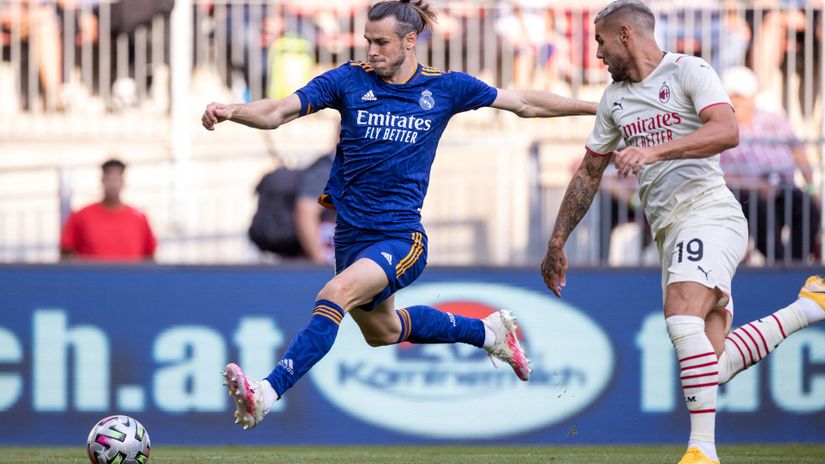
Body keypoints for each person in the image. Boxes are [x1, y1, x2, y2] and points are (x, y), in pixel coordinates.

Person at [202, 0, 597, 431]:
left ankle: (266, 392)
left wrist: (597, 109)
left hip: (400, 238)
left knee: (333, 296)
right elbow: (278, 111)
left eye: (381, 42)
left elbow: (524, 103)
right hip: (351, 239)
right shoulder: (347, 80)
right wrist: (232, 112)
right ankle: (488, 334)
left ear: (411, 41)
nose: (371, 50)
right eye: (367, 40)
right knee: (383, 332)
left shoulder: (446, 88)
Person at [538, 2, 825, 463]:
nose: (596, 53)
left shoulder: (689, 70)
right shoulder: (614, 100)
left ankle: (701, 451)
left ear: (626, 34)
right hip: (670, 232)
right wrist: (556, 242)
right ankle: (807, 309)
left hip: (711, 214)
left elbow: (727, 131)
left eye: (600, 41)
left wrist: (654, 152)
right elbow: (589, 174)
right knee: (714, 365)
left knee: (678, 316)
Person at [719, 65, 821, 263]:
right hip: (746, 192)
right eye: (733, 96)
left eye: (742, 96)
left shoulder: (773, 119)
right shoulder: (720, 127)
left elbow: (798, 151)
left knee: (809, 208)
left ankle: (796, 263)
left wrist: (811, 187)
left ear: (753, 96)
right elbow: (718, 173)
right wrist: (757, 186)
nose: (738, 102)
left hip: (784, 186)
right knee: (759, 209)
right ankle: (778, 264)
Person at [60, 158, 157, 261]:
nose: (113, 184)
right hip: (93, 276)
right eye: (109, 178)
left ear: (123, 181)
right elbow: (66, 251)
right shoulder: (81, 215)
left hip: (131, 276)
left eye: (117, 178)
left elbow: (149, 254)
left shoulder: (139, 217)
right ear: (102, 180)